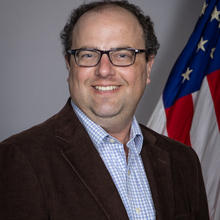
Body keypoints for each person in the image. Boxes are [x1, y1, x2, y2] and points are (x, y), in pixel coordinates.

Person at [0, 1, 209, 219]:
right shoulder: (19, 159)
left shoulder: (183, 161)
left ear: (148, 67)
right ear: (70, 66)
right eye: (88, 54)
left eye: (122, 55)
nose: (104, 70)